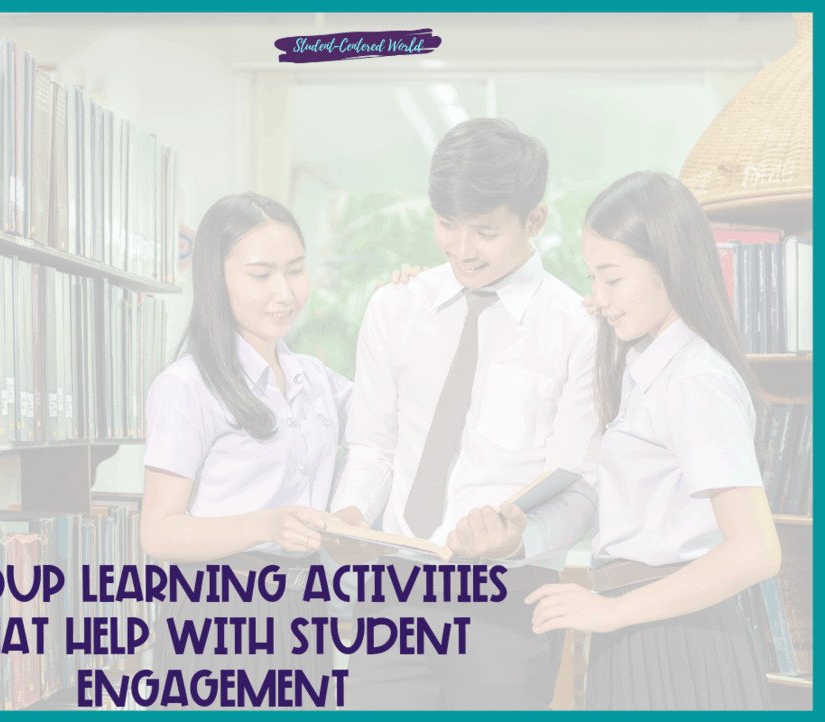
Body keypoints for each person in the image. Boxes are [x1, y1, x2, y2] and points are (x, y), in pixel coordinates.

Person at [328, 118, 602, 709]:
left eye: (484, 230)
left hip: (508, 596)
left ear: (535, 220)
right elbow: (372, 448)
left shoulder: (579, 328)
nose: (461, 249)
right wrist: (349, 515)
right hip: (394, 591)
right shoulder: (395, 307)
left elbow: (582, 487)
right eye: (447, 225)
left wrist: (516, 542)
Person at [524, 171, 781, 710]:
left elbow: (756, 550)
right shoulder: (648, 368)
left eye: (611, 279)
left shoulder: (695, 380)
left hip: (678, 639)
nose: (599, 298)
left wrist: (612, 611)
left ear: (668, 265)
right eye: (592, 279)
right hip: (643, 626)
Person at [139, 192, 350, 701]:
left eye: (296, 271)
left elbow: (395, 417)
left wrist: (405, 305)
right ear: (217, 277)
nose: (285, 293)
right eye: (261, 275)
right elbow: (159, 534)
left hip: (304, 608)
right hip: (221, 615)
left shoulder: (315, 379)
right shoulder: (186, 386)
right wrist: (268, 523)